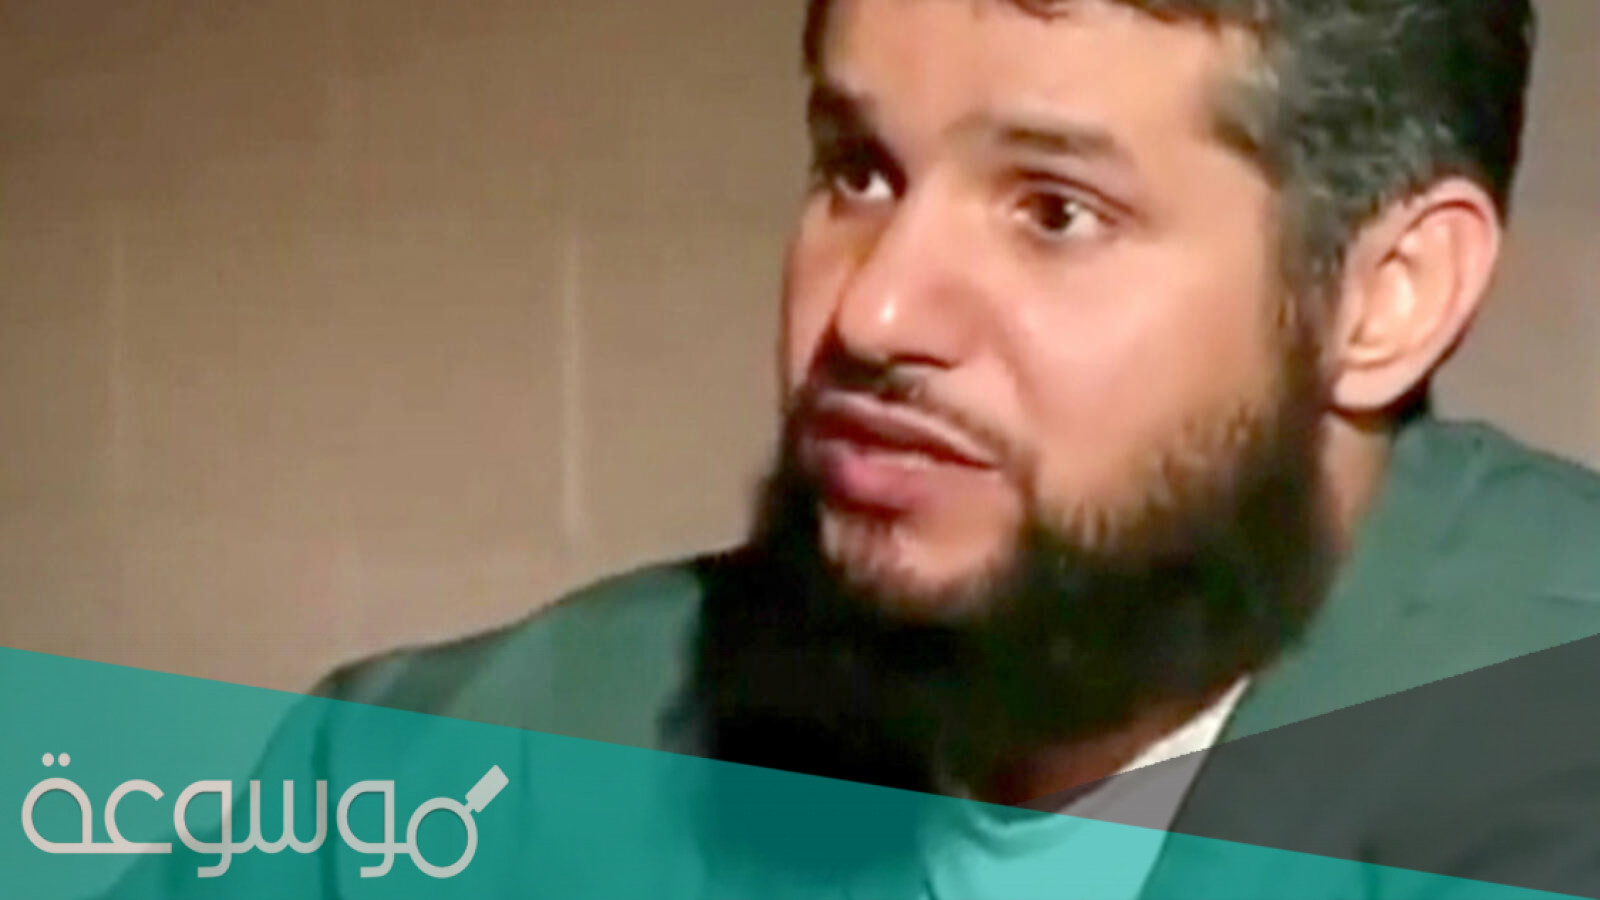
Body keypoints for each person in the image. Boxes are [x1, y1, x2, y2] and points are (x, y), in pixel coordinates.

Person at [110, 0, 1600, 898]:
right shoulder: (479, 767)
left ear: (1386, 299)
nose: (875, 310)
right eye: (859, 171)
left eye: (1056, 211)